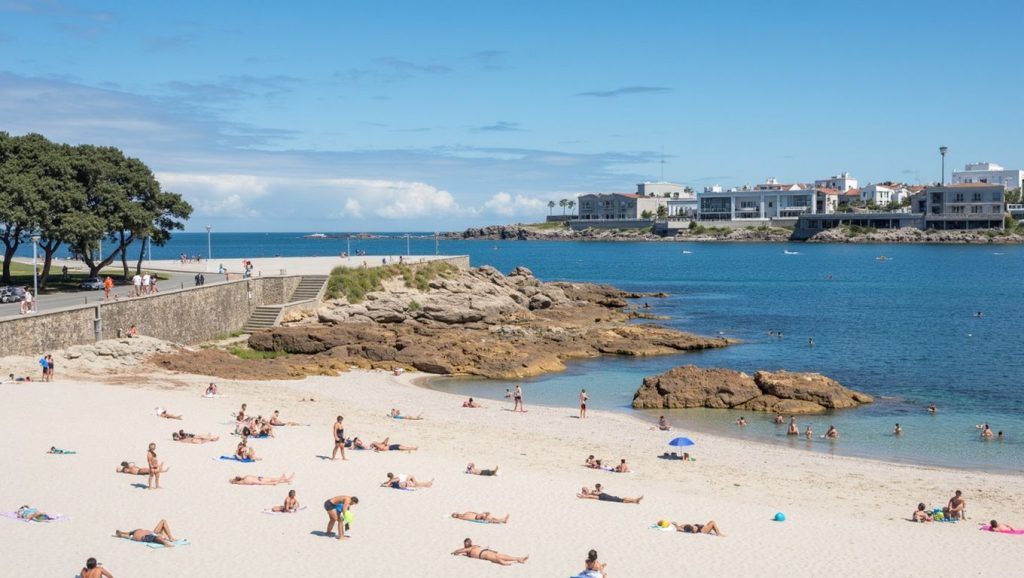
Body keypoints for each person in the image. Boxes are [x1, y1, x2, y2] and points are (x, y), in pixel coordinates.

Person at [451, 538, 528, 566]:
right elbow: (459, 551)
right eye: (467, 542)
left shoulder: (471, 547)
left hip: (484, 552)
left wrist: (456, 551)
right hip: (483, 553)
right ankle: (510, 560)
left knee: (499, 556)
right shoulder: (470, 548)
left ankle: (517, 559)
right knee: (497, 557)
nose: (469, 543)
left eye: (469, 542)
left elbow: (460, 551)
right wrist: (456, 552)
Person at [577, 483, 642, 504]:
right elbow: (590, 496)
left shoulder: (595, 492)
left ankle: (635, 501)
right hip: (609, 498)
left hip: (610, 497)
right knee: (622, 500)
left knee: (622, 500)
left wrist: (584, 494)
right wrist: (583, 496)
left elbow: (601, 489)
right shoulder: (595, 494)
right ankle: (635, 500)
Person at [229, 473, 294, 485]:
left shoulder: (245, 478)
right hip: (259, 480)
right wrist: (233, 481)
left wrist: (233, 481)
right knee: (273, 480)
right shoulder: (245, 479)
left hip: (259, 479)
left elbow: (236, 482)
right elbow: (237, 482)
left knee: (273, 479)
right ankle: (286, 480)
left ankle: (286, 480)